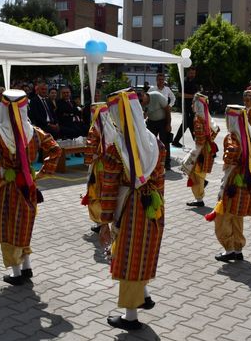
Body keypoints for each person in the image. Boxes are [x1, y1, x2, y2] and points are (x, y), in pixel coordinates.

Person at [99, 89, 166, 330]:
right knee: (143, 252)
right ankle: (144, 293)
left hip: (128, 208)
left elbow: (108, 188)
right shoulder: (153, 141)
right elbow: (160, 180)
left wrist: (104, 222)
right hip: (152, 206)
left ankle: (130, 316)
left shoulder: (116, 148)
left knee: (128, 259)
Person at [0, 89, 62, 286]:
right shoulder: (34, 132)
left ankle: (17, 273)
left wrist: (0, 175)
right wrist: (42, 172)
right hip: (29, 185)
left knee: (10, 228)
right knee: (25, 225)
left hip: (11, 188)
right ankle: (27, 266)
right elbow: (55, 149)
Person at [203, 104, 251, 262]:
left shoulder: (232, 137)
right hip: (246, 180)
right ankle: (238, 248)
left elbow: (231, 152)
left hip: (233, 181)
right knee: (236, 217)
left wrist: (230, 158)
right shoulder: (249, 135)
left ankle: (229, 249)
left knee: (222, 218)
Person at [81, 102, 117, 248]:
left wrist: (89, 159)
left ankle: (100, 222)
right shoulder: (114, 125)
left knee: (96, 192)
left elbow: (90, 149)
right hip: (112, 165)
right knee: (109, 191)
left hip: (99, 166)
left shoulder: (95, 128)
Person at [181, 93, 219, 207]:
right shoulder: (207, 118)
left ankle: (199, 199)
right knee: (199, 173)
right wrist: (209, 139)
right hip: (207, 150)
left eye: (193, 103)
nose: (192, 105)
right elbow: (216, 129)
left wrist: (197, 149)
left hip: (200, 151)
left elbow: (200, 140)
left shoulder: (198, 119)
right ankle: (200, 192)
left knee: (195, 174)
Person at [138, 89, 172, 170]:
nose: (141, 103)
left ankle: (167, 163)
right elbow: (143, 116)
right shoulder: (140, 102)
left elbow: (167, 110)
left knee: (165, 142)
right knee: (150, 142)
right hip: (151, 122)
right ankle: (151, 162)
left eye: (141, 101)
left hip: (163, 121)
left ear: (144, 95)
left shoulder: (156, 96)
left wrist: (168, 124)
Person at [172, 67, 198, 148]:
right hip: (184, 105)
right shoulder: (183, 81)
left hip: (193, 105)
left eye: (194, 73)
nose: (192, 75)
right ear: (187, 73)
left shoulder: (195, 82)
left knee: (188, 123)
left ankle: (176, 141)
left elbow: (197, 94)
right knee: (188, 122)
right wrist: (192, 96)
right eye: (191, 73)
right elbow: (180, 94)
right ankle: (196, 141)